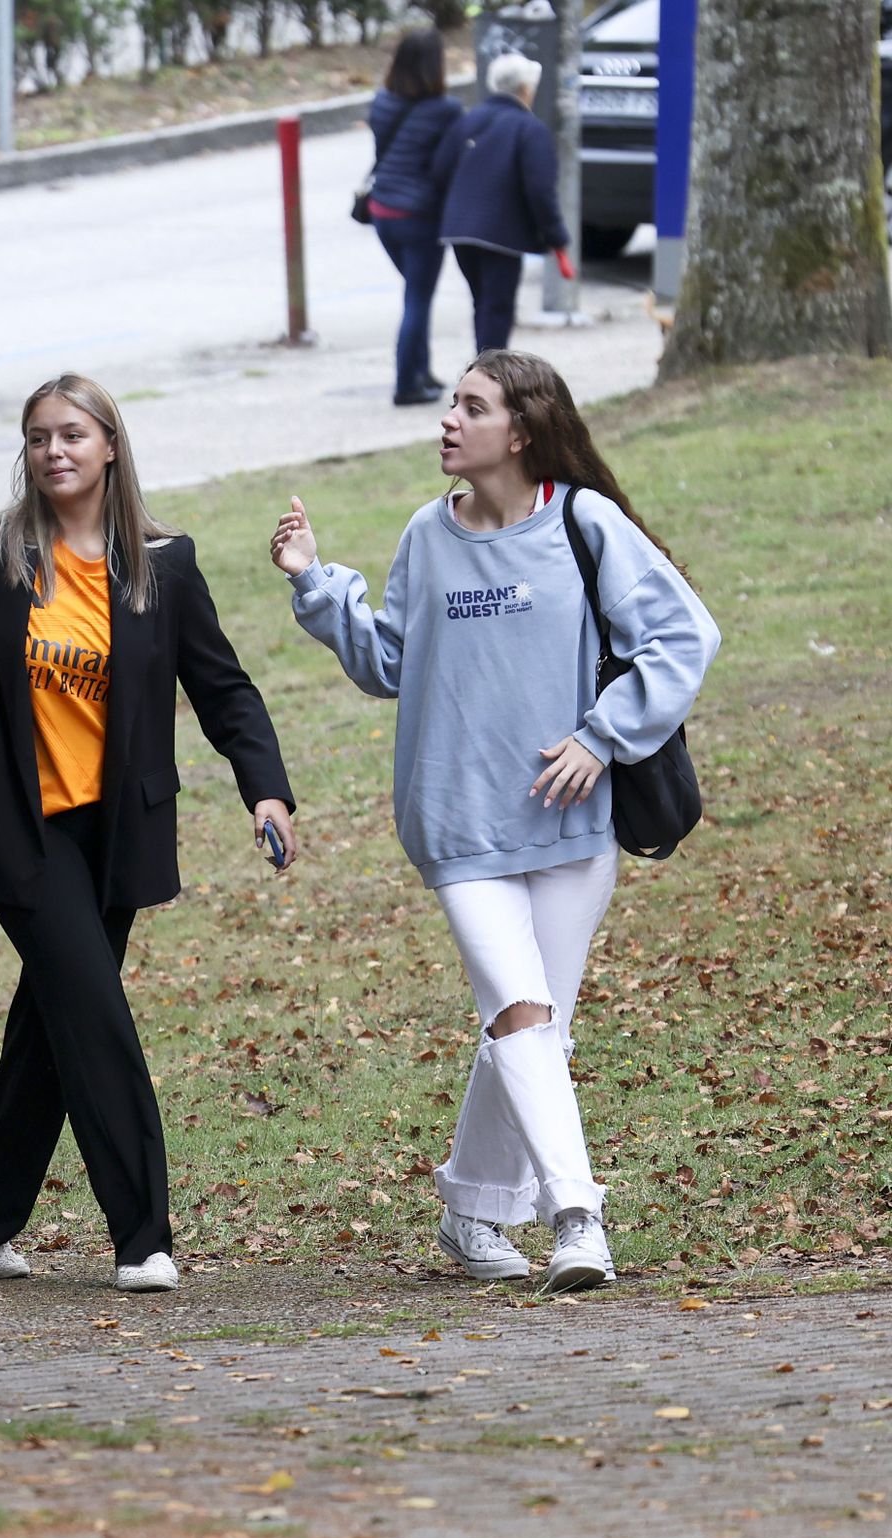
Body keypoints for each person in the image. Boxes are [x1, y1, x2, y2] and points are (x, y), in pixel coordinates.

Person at [270, 350, 717, 1291]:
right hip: (458, 826)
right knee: (520, 1013)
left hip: (573, 829)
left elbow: (684, 638)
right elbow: (393, 660)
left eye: (470, 407)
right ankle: (577, 1217)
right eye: (450, 404)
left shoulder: (584, 524)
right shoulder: (428, 536)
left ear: (519, 431)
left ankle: (472, 1211)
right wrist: (315, 582)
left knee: (534, 1034)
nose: (447, 420)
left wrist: (603, 737)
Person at [0, 374, 296, 1296]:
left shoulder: (162, 563)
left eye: (72, 434)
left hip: (120, 833)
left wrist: (264, 791)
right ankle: (143, 1235)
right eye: (37, 437)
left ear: (110, 445)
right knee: (98, 1018)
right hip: (15, 829)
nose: (54, 450)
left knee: (53, 1018)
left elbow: (222, 689)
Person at [434, 52, 568, 355]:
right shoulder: (529, 129)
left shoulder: (468, 121)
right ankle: (489, 383)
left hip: (460, 230)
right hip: (502, 233)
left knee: (482, 302)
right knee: (497, 307)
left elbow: (441, 169)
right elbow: (540, 189)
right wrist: (556, 236)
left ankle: (483, 373)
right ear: (525, 89)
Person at [365, 28, 464, 406]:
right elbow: (445, 166)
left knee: (415, 295)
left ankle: (421, 371)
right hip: (420, 216)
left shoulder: (381, 102)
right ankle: (407, 383)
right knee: (418, 298)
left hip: (383, 213)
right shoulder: (447, 111)